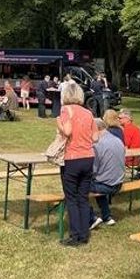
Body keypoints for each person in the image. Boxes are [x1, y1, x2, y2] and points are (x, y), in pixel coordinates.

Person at [56, 81, 98, 247]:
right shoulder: (88, 113)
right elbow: (95, 137)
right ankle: (84, 233)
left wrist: (58, 122)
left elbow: (67, 131)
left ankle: (75, 236)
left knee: (71, 198)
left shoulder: (66, 110)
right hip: (88, 157)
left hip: (72, 158)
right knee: (83, 197)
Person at [88, 118, 125, 228]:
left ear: (96, 129)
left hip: (107, 185)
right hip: (119, 182)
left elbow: (93, 170)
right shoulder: (118, 140)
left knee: (79, 185)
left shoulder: (97, 144)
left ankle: (91, 218)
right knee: (99, 180)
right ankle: (106, 216)